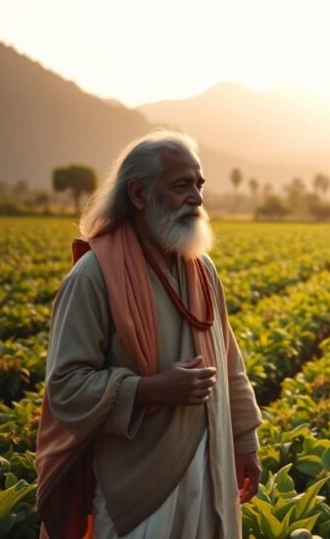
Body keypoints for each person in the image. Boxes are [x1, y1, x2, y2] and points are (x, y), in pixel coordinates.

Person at [35, 131, 262, 539]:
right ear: (138, 194)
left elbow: (230, 363)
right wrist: (152, 388)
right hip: (139, 492)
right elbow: (66, 387)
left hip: (213, 475)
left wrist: (245, 443)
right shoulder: (93, 276)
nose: (196, 197)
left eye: (199, 185)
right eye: (181, 186)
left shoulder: (202, 269)